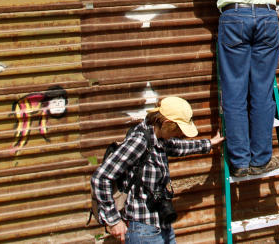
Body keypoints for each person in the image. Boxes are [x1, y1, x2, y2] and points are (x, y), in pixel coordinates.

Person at [191, 0, 279, 177]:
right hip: (267, 17)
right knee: (262, 91)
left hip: (236, 18)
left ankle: (240, 163)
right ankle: (262, 159)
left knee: (235, 92)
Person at [91, 96, 224, 244]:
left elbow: (177, 147)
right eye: (179, 129)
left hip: (163, 226)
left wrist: (209, 144)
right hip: (144, 231)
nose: (181, 135)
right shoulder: (140, 141)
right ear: (167, 123)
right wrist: (114, 220)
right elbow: (100, 178)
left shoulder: (159, 137)